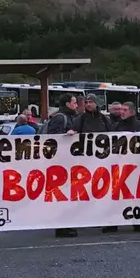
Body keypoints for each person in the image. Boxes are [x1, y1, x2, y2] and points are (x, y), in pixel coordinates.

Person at [104, 102, 140, 233]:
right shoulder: (116, 126)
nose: (122, 112)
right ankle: (113, 222)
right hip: (119, 165)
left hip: (135, 165)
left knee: (134, 195)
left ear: (132, 111)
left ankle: (137, 221)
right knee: (116, 195)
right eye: (121, 110)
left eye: (125, 110)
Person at [47, 93, 78, 238]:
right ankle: (62, 227)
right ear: (67, 104)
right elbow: (52, 139)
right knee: (62, 195)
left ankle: (66, 225)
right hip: (60, 163)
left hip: (67, 162)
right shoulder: (61, 117)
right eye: (74, 102)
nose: (76, 105)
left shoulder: (68, 117)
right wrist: (66, 135)